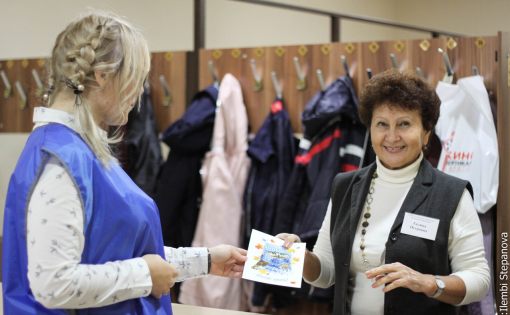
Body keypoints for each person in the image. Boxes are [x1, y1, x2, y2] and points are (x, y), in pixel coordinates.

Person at [2, 11, 246, 315]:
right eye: (136, 77)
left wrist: (206, 260)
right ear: (103, 75)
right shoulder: (62, 160)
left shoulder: (82, 153)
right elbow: (53, 284)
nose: (139, 93)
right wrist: (144, 276)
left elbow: (119, 251)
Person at [277, 70, 490, 315]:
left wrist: (429, 282)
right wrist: (300, 257)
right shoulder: (345, 186)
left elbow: (479, 279)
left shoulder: (451, 194)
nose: (391, 136)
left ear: (426, 133)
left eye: (404, 124)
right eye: (382, 124)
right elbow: (326, 273)